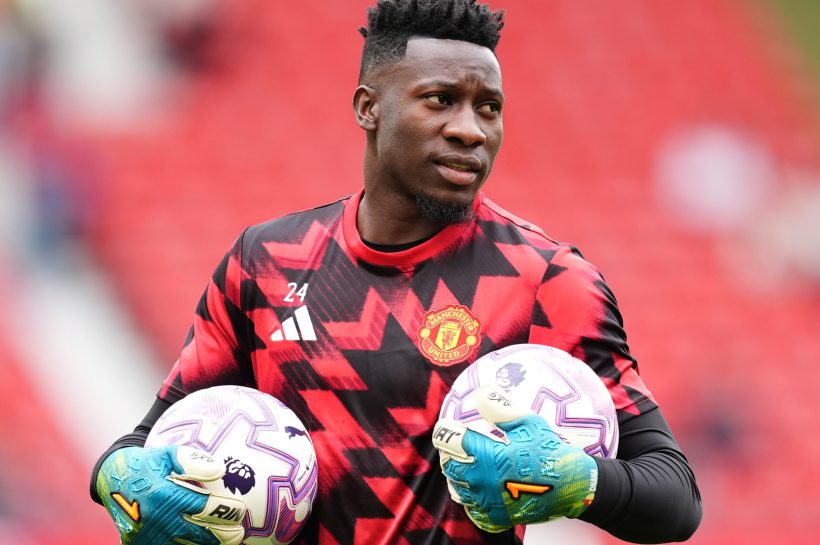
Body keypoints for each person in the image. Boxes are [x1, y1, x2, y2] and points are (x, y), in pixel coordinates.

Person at [91, 1, 702, 544]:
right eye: (440, 99)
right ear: (369, 108)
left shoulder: (545, 280)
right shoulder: (265, 261)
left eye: (488, 108)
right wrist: (119, 480)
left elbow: (674, 496)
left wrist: (582, 481)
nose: (470, 130)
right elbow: (146, 444)